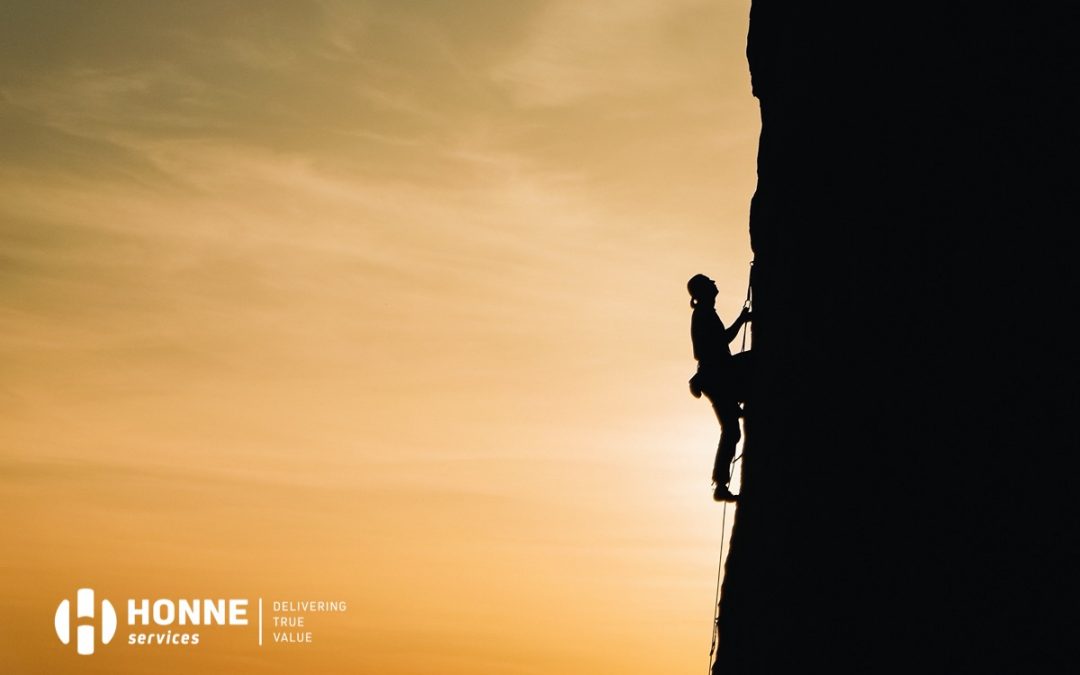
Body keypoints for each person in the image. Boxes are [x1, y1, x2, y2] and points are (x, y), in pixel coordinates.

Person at [687, 273, 752, 502]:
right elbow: (720, 341)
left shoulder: (705, 313)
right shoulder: (703, 315)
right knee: (731, 430)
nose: (715, 284)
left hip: (717, 376)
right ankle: (720, 484)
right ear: (703, 291)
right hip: (717, 376)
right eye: (710, 283)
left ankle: (721, 484)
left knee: (731, 429)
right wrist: (742, 319)